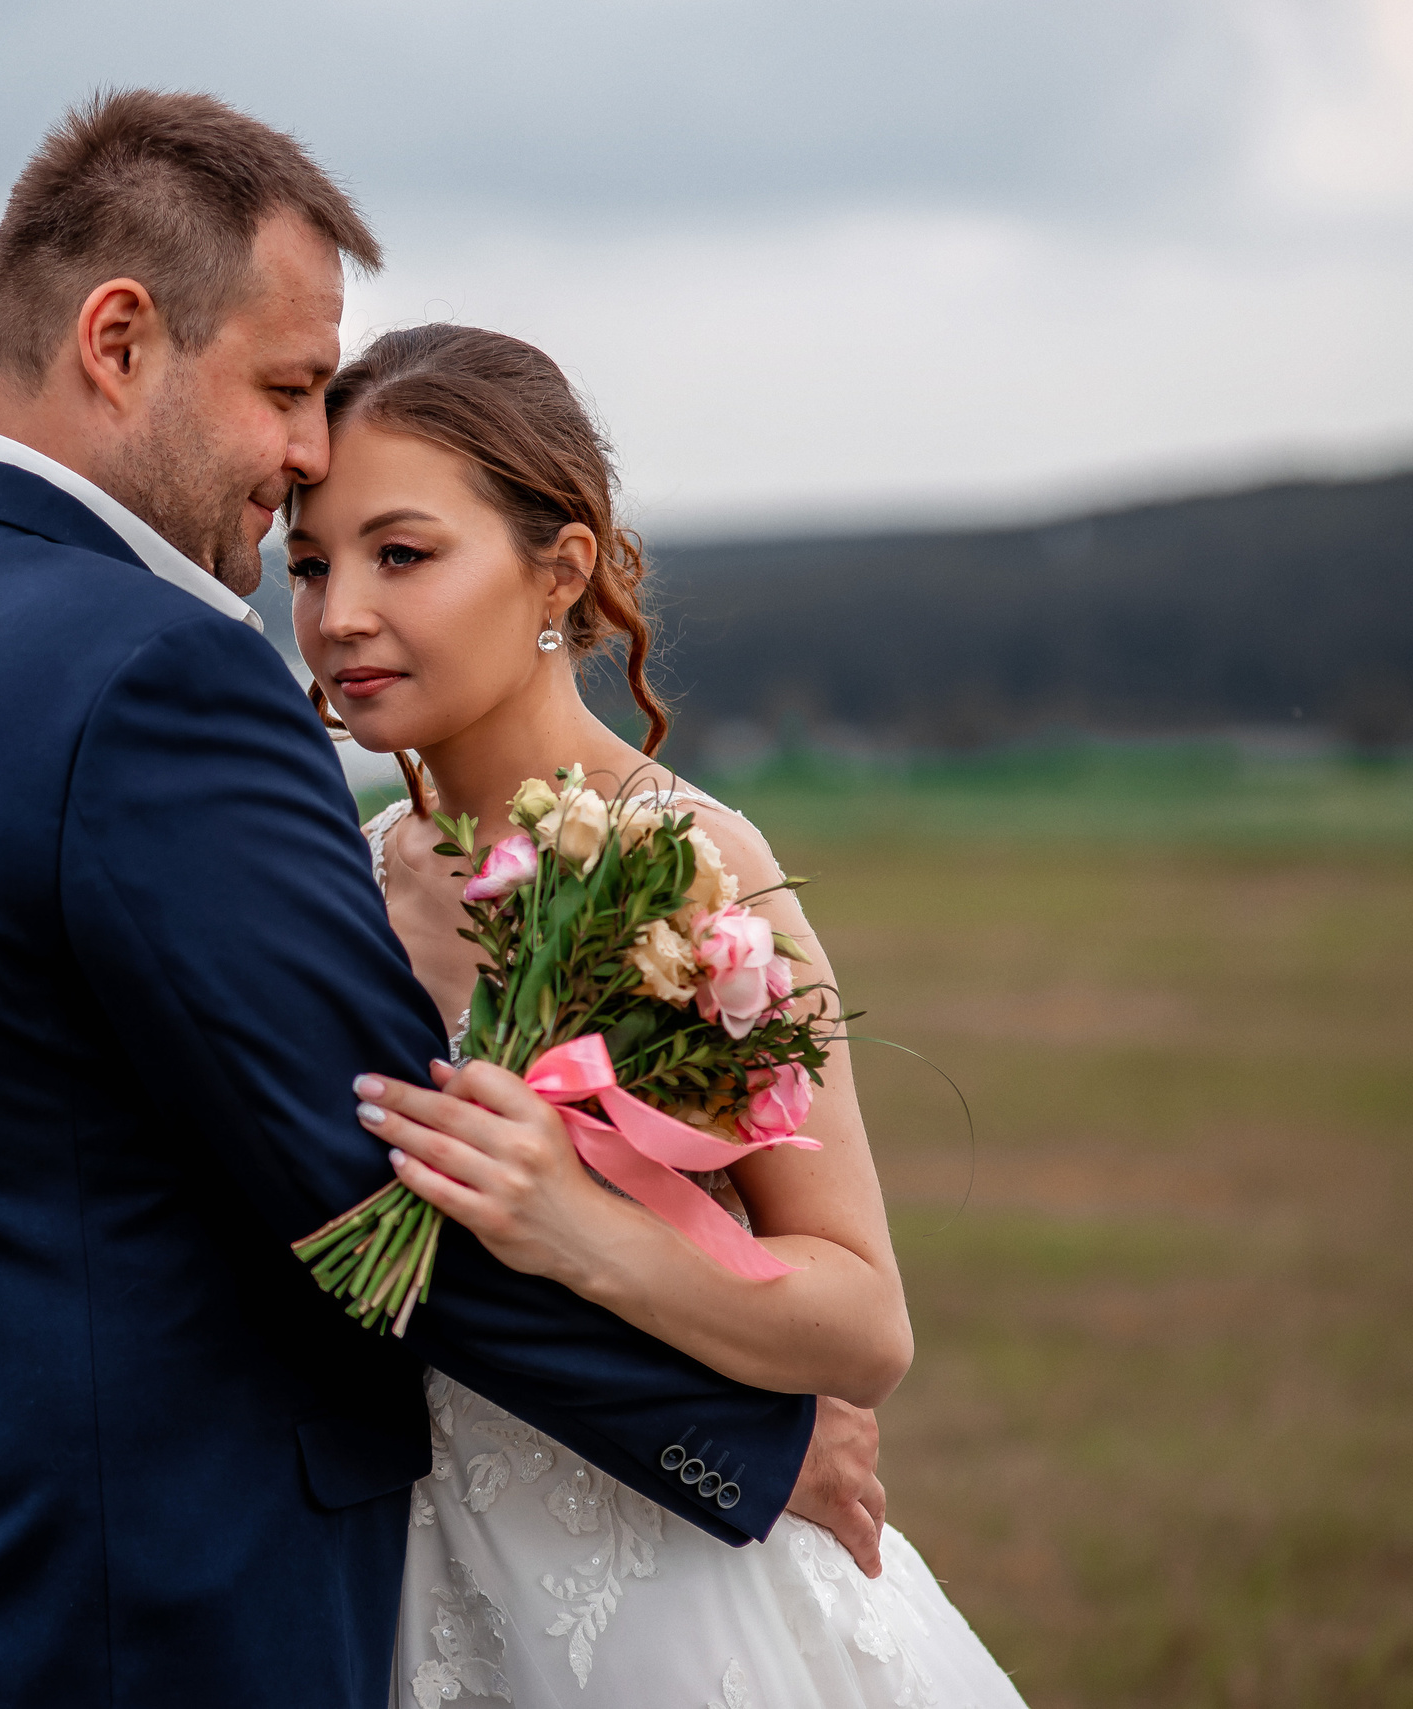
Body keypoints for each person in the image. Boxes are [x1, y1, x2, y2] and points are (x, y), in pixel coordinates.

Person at [0, 90, 877, 1708]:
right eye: (283, 389)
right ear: (118, 338)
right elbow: (365, 1180)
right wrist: (750, 1438)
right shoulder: (153, 671)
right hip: (105, 1617)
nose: (306, 453)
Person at [290, 323, 1028, 1707]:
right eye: (312, 562)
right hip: (398, 1594)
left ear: (558, 569)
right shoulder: (343, 874)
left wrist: (580, 1225)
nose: (338, 614)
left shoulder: (693, 868)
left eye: (402, 554)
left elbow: (863, 1318)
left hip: (668, 1600)